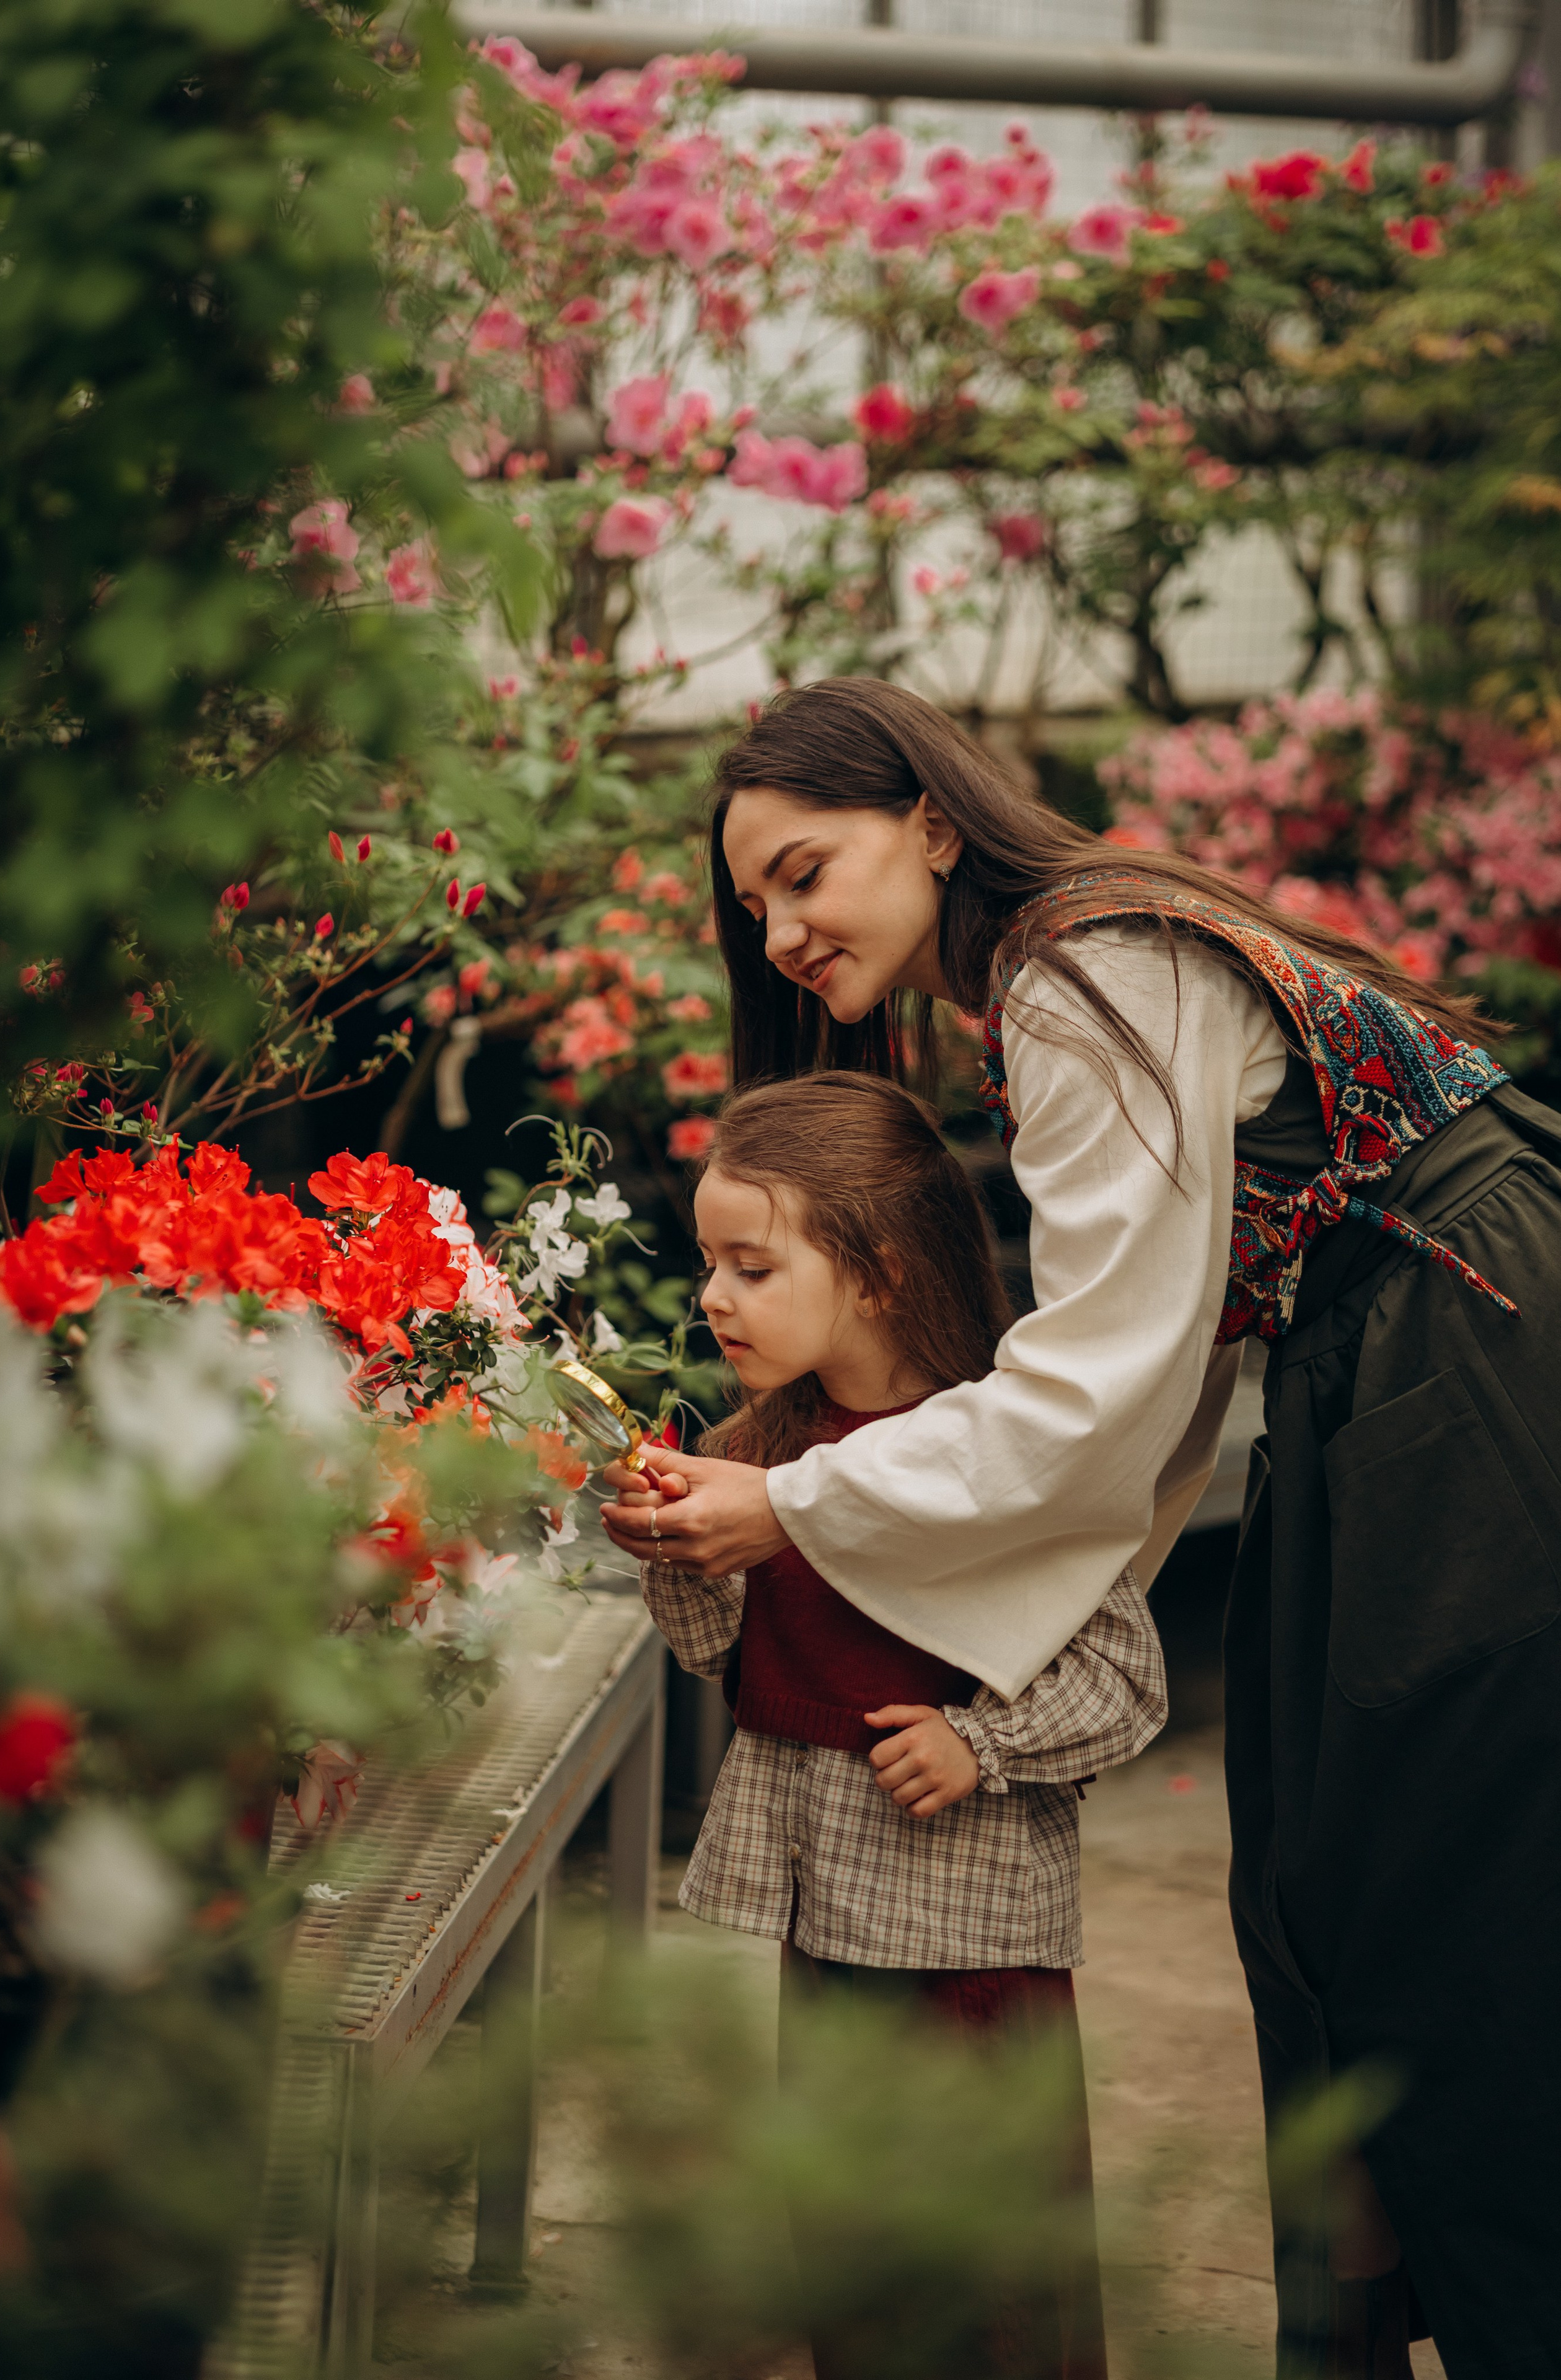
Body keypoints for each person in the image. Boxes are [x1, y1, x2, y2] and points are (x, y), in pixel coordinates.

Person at [602, 678, 1561, 2380]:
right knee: (1324, 1880)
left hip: (1467, 1338)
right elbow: (1162, 1368)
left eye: (805, 874)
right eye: (755, 905)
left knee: (1433, 1903)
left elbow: (1103, 1385)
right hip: (1398, 1360)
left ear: (932, 824)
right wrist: (1039, 1598)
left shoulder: (1079, 971)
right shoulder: (1053, 976)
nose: (783, 930)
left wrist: (800, 1505)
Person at [631, 1070, 1164, 2380]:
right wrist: (668, 1546)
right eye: (710, 1264)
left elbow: (1125, 1677)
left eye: (750, 1267)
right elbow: (720, 1653)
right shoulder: (760, 1445)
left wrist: (978, 1744)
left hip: (967, 1939)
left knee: (988, 2267)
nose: (713, 1298)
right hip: (827, 1924)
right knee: (848, 2249)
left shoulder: (981, 1460)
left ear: (872, 1271)